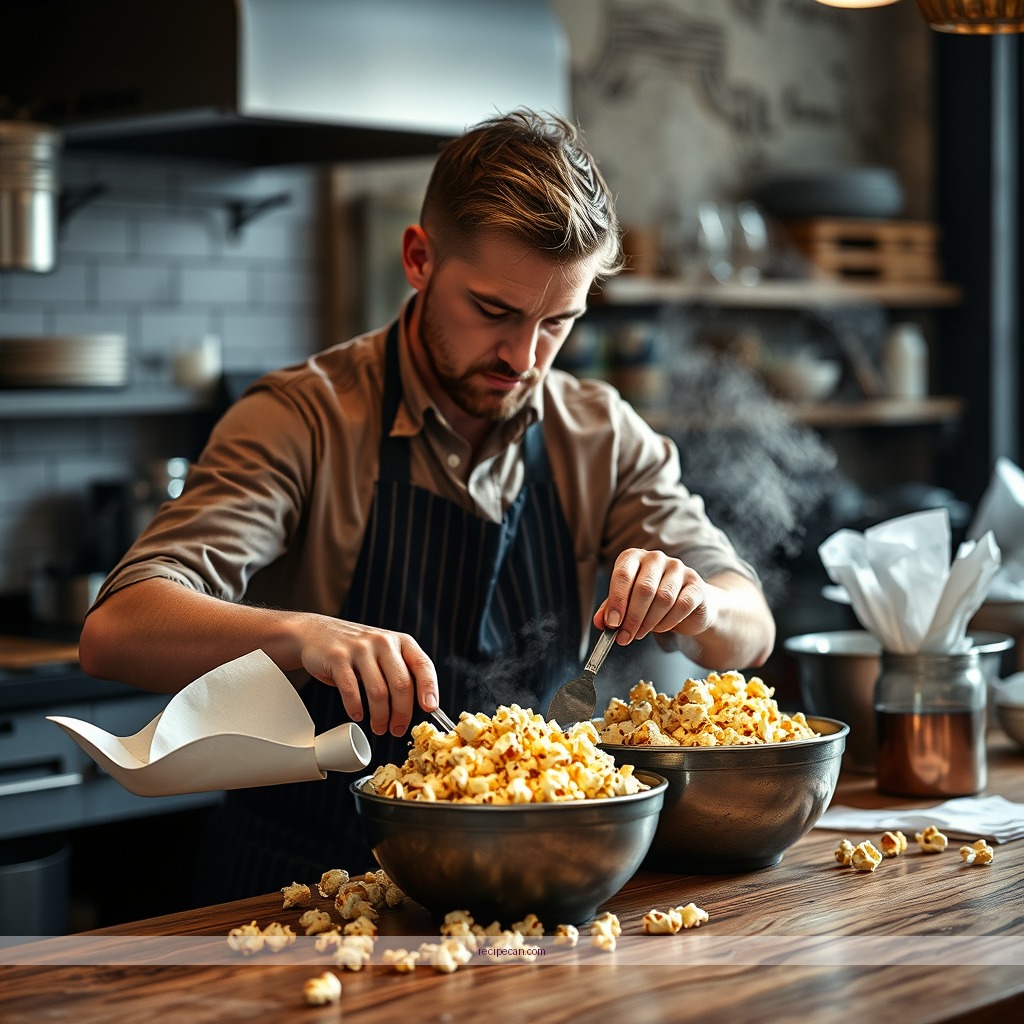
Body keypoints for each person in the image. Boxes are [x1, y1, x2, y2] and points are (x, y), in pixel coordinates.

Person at [79, 109, 775, 897]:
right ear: (419, 259)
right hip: (307, 885)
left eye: (557, 323)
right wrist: (306, 635)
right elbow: (116, 631)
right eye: (493, 312)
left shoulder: (599, 433)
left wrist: (699, 605)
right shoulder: (301, 418)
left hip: (526, 881)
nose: (523, 358)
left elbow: (749, 630)